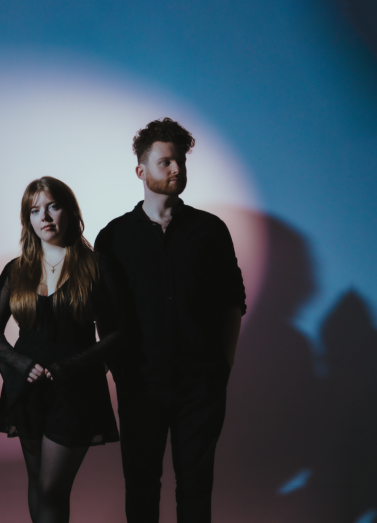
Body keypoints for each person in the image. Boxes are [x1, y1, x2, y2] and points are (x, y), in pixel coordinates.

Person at [94, 118, 246, 523]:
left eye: (181, 161)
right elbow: (104, 312)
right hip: (140, 385)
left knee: (196, 489)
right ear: (140, 171)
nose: (177, 169)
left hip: (201, 385)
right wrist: (120, 369)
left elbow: (232, 301)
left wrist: (223, 366)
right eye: (166, 162)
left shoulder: (211, 230)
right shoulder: (113, 237)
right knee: (141, 487)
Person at [0, 177, 121, 523]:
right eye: (34, 211)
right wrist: (20, 364)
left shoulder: (96, 266)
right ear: (27, 219)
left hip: (75, 390)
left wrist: (71, 367)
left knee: (51, 488)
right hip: (27, 389)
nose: (44, 217)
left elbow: (118, 334)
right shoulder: (16, 270)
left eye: (52, 206)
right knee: (36, 481)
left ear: (70, 211)